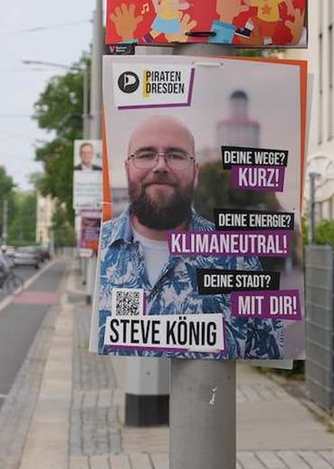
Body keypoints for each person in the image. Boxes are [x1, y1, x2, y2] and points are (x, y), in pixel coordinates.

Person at [95, 114, 283, 359]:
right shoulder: (97, 253)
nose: (160, 165)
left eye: (175, 155)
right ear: (127, 168)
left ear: (195, 173)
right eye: (145, 154)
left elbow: (268, 355)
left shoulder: (239, 261)